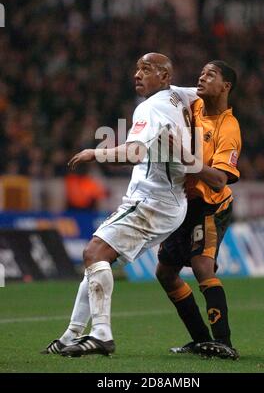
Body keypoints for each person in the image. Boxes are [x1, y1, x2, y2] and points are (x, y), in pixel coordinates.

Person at [41, 52, 199, 357]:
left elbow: (134, 152)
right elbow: (207, 91)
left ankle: (101, 335)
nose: (137, 74)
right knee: (98, 260)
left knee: (93, 252)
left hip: (153, 201)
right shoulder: (180, 96)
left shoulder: (149, 108)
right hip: (170, 203)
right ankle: (71, 335)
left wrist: (94, 152)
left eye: (147, 69)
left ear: (165, 77)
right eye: (137, 68)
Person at [156, 60, 241, 360]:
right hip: (184, 204)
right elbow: (167, 90)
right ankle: (202, 340)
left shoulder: (228, 128)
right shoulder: (193, 107)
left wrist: (182, 154)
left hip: (211, 206)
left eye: (210, 74)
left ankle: (224, 342)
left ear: (225, 86)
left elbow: (219, 180)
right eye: (201, 73)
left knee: (203, 266)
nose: (201, 77)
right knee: (165, 273)